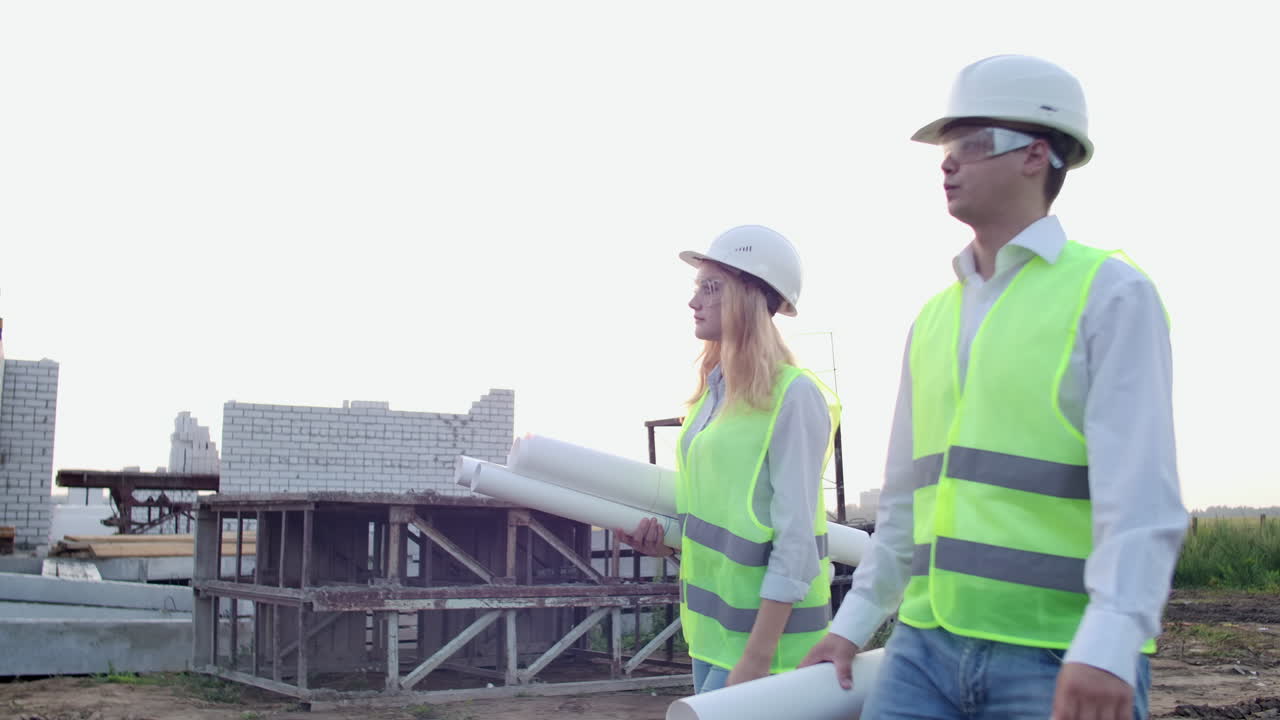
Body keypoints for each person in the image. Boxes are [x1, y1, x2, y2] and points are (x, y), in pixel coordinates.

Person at [799, 55, 1187, 720]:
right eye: (947, 149)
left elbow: (1142, 499)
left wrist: (1110, 641)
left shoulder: (1110, 294)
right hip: (923, 650)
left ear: (1036, 155)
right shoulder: (933, 318)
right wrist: (854, 621)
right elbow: (902, 506)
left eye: (970, 145)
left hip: (1053, 654)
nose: (948, 163)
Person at [617, 224, 841, 694]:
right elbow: (722, 521)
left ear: (752, 296)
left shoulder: (793, 396)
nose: (694, 301)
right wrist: (669, 546)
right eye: (697, 288)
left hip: (771, 649)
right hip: (713, 637)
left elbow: (796, 545)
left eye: (711, 288)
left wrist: (756, 661)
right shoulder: (711, 398)